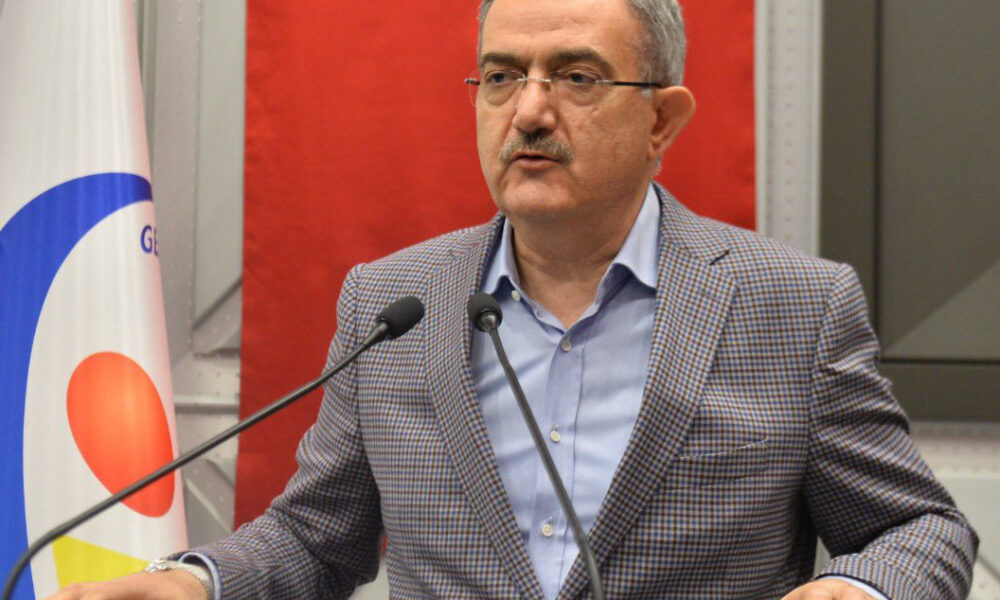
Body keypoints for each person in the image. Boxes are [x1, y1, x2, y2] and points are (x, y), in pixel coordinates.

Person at [49, 0, 978, 598]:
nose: (528, 111)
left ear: (662, 119)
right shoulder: (393, 302)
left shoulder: (794, 308)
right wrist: (197, 581)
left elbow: (920, 528)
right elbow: (316, 537)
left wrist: (862, 590)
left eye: (576, 77)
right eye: (500, 76)